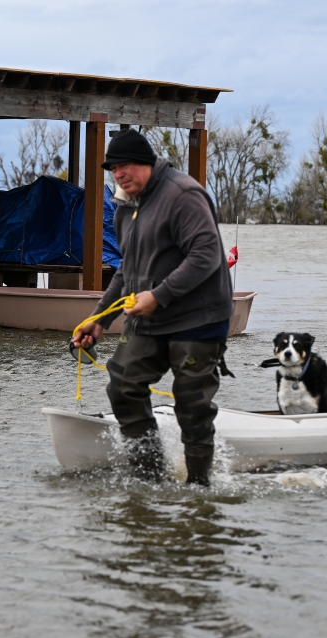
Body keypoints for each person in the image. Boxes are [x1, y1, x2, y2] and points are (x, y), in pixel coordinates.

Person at [71, 129, 233, 486]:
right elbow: (126, 271)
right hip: (148, 318)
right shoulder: (125, 208)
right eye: (113, 169)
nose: (118, 174)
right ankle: (151, 479)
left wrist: (159, 295)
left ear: (146, 162)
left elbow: (207, 255)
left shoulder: (183, 194)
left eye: (124, 166)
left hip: (198, 318)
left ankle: (198, 490)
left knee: (191, 405)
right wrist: (100, 318)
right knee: (123, 386)